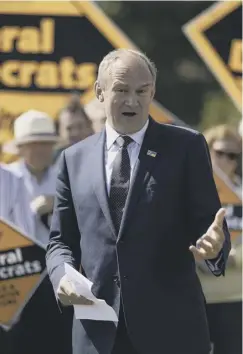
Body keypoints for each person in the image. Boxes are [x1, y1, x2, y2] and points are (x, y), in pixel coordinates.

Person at [46, 49, 231, 354]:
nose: (133, 100)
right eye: (121, 90)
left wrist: (214, 247)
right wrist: (62, 273)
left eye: (142, 91)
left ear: (152, 92)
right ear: (99, 92)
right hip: (98, 333)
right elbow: (60, 241)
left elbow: (210, 226)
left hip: (172, 331)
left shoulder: (186, 147)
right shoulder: (72, 159)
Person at [5, 110, 72, 354]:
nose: (41, 150)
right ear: (21, 148)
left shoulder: (65, 178)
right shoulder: (7, 178)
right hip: (19, 276)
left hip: (58, 276)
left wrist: (58, 207)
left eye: (46, 144)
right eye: (34, 145)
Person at [198, 124, 242, 354]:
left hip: (237, 298)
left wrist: (235, 258)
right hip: (199, 296)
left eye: (232, 155)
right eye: (219, 153)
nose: (225, 160)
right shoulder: (191, 192)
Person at [53, 94, 94, 162]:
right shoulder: (52, 162)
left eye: (80, 126)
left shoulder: (101, 156)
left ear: (89, 127)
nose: (76, 133)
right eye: (69, 128)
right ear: (59, 132)